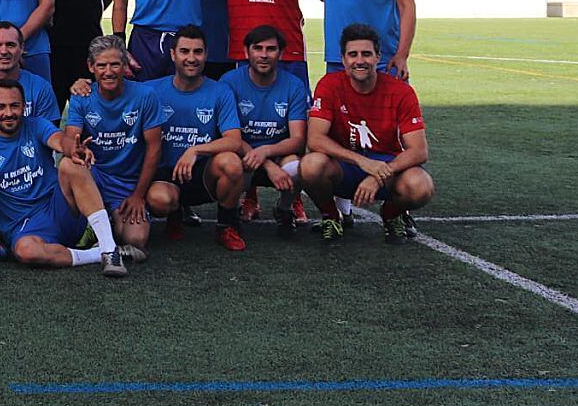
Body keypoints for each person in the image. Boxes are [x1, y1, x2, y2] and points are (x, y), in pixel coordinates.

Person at [0, 80, 129, 275]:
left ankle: (109, 249)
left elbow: (58, 140)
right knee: (27, 252)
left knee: (70, 163)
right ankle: (99, 253)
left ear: (24, 106)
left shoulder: (36, 125)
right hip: (24, 226)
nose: (8, 113)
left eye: (14, 105)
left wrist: (71, 148)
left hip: (59, 209)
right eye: (1, 107)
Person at [300, 24, 434, 243]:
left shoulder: (401, 91)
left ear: (378, 57)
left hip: (386, 168)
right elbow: (315, 139)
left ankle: (391, 215)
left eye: (366, 54)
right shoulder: (330, 84)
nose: (359, 60)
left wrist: (378, 174)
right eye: (353, 54)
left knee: (421, 186)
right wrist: (362, 162)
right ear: (343, 59)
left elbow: (419, 151)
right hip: (346, 166)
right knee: (310, 165)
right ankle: (331, 217)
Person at [143, 26, 248, 250]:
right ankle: (174, 214)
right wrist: (83, 84)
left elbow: (234, 140)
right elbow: (110, 86)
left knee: (231, 162)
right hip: (164, 175)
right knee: (159, 200)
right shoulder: (151, 90)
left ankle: (225, 225)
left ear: (206, 54)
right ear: (173, 55)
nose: (191, 58)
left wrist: (195, 150)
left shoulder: (220, 91)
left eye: (197, 52)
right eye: (184, 51)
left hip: (201, 173)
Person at [61, 35, 165, 258]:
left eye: (115, 64)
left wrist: (139, 195)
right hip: (94, 177)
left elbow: (154, 148)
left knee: (135, 240)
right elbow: (70, 139)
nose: (109, 71)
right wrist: (77, 149)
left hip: (126, 184)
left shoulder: (145, 95)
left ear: (125, 66)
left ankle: (105, 222)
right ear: (91, 67)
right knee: (69, 164)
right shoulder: (82, 95)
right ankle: (92, 221)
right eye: (102, 65)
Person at [220, 24, 309, 233]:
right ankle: (229, 212)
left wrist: (266, 152)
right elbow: (227, 135)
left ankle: (284, 208)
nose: (264, 55)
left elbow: (298, 139)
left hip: (279, 153)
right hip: (242, 154)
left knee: (297, 167)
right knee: (228, 164)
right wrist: (266, 163)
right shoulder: (229, 82)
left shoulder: (294, 85)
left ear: (281, 53)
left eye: (271, 49)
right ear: (246, 52)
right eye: (258, 48)